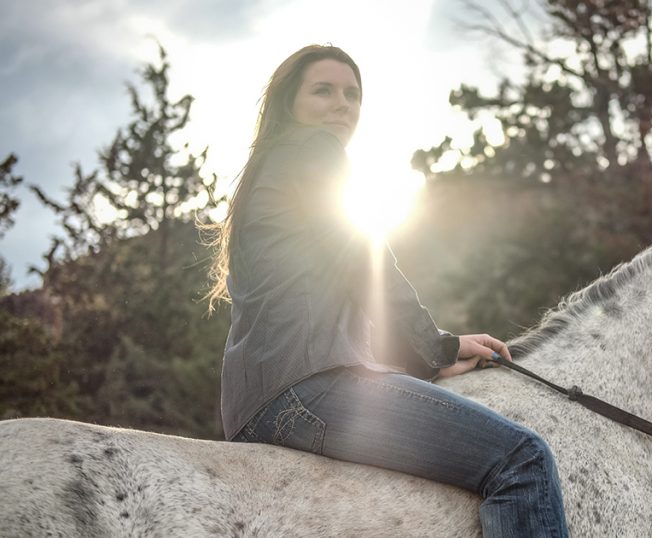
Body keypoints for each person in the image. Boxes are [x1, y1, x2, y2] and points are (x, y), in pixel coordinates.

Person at [204, 44, 568, 537]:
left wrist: (428, 363)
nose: (342, 105)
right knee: (523, 460)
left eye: (353, 95)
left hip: (257, 405)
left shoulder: (269, 171)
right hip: (309, 390)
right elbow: (366, 258)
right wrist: (441, 344)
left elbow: (342, 301)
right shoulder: (313, 150)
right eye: (324, 90)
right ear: (290, 101)